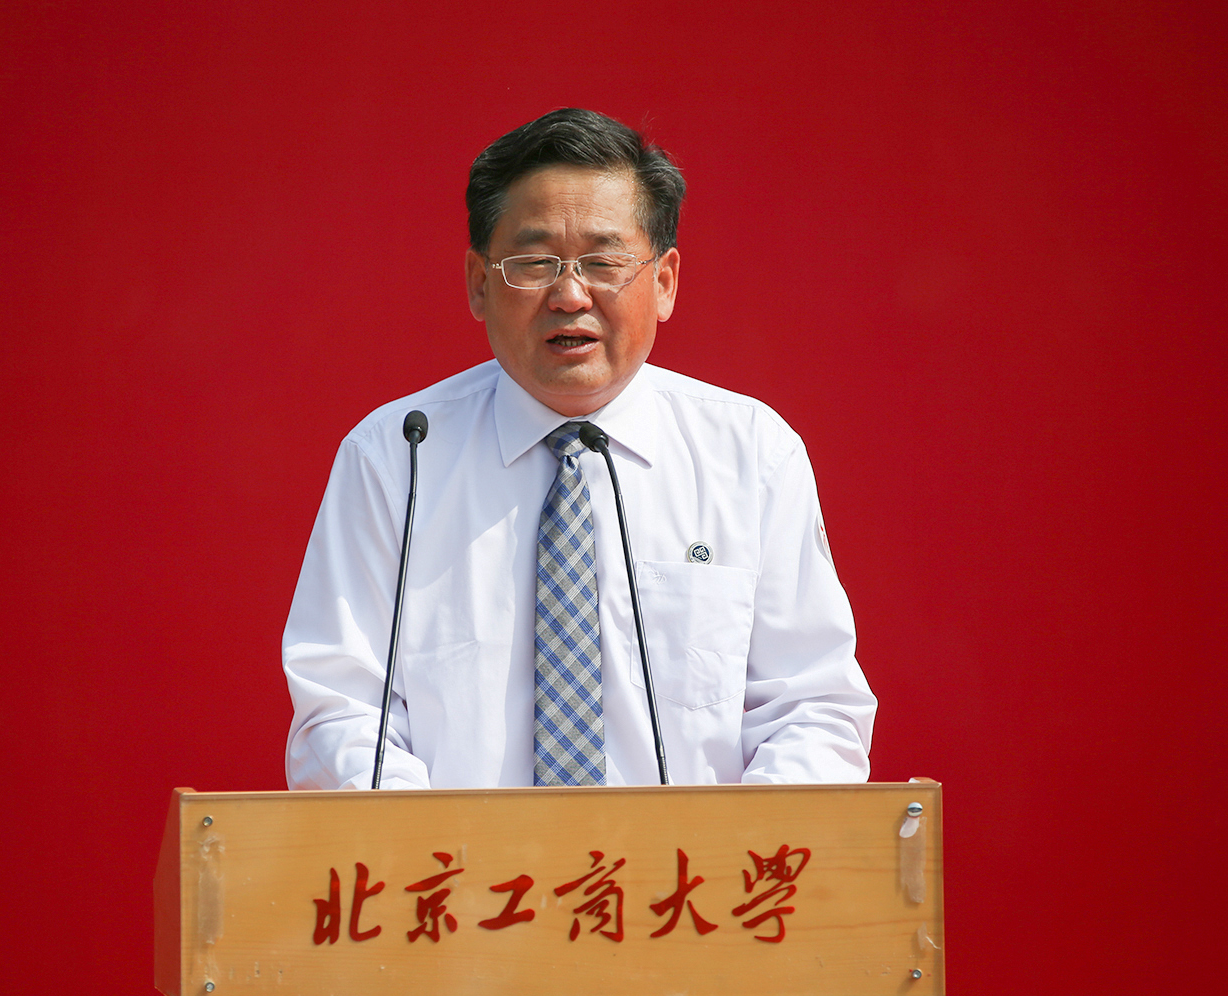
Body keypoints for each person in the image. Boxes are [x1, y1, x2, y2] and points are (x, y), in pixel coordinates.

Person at [284, 109, 875, 790]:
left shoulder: (750, 456)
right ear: (479, 284)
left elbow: (812, 708)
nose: (569, 296)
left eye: (603, 263)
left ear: (664, 282)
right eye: (534, 263)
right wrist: (441, 851)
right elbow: (343, 714)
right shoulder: (396, 458)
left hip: (689, 863)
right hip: (457, 860)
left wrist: (729, 850)